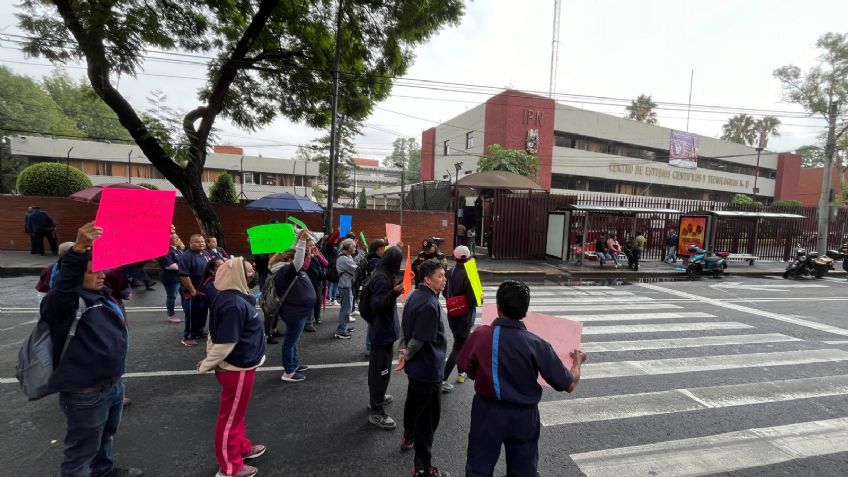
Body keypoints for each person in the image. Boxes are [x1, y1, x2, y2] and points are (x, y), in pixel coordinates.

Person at [39, 222, 143, 477]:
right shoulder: (64, 303)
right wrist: (78, 249)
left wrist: (149, 239)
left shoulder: (103, 293)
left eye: (100, 270)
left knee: (105, 436)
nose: (101, 275)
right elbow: (65, 285)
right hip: (86, 393)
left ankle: (103, 471)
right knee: (81, 452)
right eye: (92, 272)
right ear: (75, 275)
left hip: (113, 386)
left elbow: (125, 267)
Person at [458, 280, 587, 477]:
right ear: (525, 311)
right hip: (524, 417)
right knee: (523, 470)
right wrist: (577, 362)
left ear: (498, 307)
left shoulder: (480, 335)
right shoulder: (536, 344)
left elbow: (465, 367)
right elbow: (568, 384)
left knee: (479, 469)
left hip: (487, 412)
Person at [198, 257, 267, 477]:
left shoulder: (232, 296)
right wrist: (207, 363)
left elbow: (214, 332)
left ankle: (242, 448)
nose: (252, 273)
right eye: (249, 271)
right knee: (230, 419)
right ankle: (230, 466)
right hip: (237, 369)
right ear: (237, 275)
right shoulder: (233, 303)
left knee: (237, 414)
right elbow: (225, 342)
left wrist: (209, 358)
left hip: (241, 366)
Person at [396, 260, 450, 477]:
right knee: (428, 420)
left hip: (417, 368)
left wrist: (403, 352)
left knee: (413, 404)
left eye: (444, 275)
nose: (444, 279)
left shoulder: (415, 295)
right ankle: (422, 467)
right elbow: (419, 339)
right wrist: (406, 354)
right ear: (427, 279)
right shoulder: (429, 303)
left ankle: (408, 436)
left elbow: (405, 328)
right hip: (428, 368)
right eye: (440, 276)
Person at [366, 245, 404, 430]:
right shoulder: (381, 278)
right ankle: (376, 411)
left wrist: (398, 286)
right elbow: (378, 306)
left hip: (384, 331)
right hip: (381, 333)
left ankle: (377, 398)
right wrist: (394, 293)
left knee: (381, 370)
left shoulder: (383, 271)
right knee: (380, 372)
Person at [275, 230, 317, 382]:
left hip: (299, 310)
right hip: (295, 312)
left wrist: (298, 240)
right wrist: (302, 241)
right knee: (290, 341)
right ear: (289, 259)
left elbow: (295, 254)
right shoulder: (285, 271)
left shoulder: (287, 268)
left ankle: (294, 363)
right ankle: (289, 371)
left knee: (295, 340)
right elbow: (298, 260)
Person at [440, 246, 478, 394]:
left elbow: (444, 292)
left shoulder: (449, 272)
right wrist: (480, 298)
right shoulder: (470, 273)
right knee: (458, 347)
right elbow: (474, 300)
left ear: (455, 258)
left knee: (461, 342)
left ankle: (461, 372)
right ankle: (442, 380)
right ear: (468, 257)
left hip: (452, 313)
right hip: (465, 316)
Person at [178, 234, 210, 347]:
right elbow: (184, 275)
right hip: (193, 290)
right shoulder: (186, 256)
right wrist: (192, 290)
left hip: (204, 290)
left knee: (202, 312)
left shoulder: (205, 253)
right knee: (192, 314)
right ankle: (187, 337)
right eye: (197, 242)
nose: (201, 243)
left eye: (202, 241)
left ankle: (198, 331)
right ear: (190, 243)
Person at [358, 239, 388, 354]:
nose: (385, 250)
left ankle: (371, 346)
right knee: (374, 321)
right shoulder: (375, 261)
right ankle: (370, 347)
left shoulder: (370, 258)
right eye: (383, 248)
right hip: (373, 294)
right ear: (378, 249)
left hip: (369, 293)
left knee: (374, 320)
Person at [334, 238, 359, 339]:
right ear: (348, 248)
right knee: (346, 309)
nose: (355, 248)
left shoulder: (346, 256)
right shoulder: (344, 259)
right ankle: (341, 331)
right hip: (345, 286)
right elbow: (356, 269)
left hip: (346, 286)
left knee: (346, 308)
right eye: (354, 246)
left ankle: (344, 327)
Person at [157, 233, 184, 323]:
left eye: (177, 237)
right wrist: (184, 266)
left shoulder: (179, 249)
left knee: (184, 295)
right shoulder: (166, 251)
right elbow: (170, 266)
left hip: (181, 277)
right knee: (172, 296)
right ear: (168, 240)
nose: (177, 239)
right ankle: (171, 315)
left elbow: (185, 261)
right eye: (174, 238)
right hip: (171, 278)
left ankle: (187, 311)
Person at [304, 238, 328, 333]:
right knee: (311, 301)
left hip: (318, 281)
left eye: (313, 245)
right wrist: (309, 256)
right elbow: (304, 267)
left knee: (318, 300)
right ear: (305, 246)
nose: (313, 247)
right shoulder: (303, 255)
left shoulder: (317, 253)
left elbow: (326, 263)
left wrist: (318, 255)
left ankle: (316, 317)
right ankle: (308, 323)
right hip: (308, 282)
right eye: (310, 245)